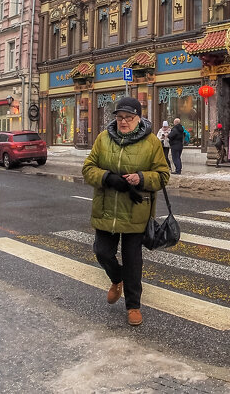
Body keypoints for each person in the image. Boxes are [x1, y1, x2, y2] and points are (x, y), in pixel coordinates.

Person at [80, 97, 169, 327]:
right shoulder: (103, 139)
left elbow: (162, 176)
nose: (123, 122)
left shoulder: (151, 143)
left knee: (133, 261)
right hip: (106, 208)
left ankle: (133, 306)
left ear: (139, 119)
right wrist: (107, 177)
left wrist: (141, 178)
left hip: (136, 210)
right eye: (120, 117)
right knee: (102, 252)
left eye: (129, 118)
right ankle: (116, 279)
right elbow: (88, 168)